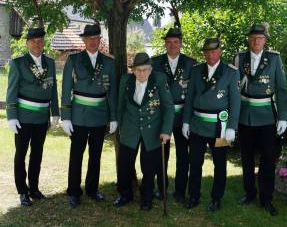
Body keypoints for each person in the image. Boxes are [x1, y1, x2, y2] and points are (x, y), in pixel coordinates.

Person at [61, 24, 118, 208]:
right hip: (78, 115)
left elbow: (113, 92)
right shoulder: (74, 59)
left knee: (96, 155)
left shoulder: (108, 62)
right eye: (90, 38)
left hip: (100, 115)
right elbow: (66, 89)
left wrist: (113, 117)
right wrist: (66, 116)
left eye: (96, 38)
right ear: (84, 40)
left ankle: (92, 189)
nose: (93, 42)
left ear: (100, 40)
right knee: (76, 155)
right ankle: (73, 191)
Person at [235, 23, 287, 216]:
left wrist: (282, 117)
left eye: (259, 38)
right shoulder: (240, 58)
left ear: (265, 40)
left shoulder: (274, 58)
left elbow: (281, 88)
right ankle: (249, 193)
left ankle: (266, 198)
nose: (256, 41)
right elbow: (234, 87)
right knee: (247, 157)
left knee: (268, 159)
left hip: (266, 115)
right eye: (252, 38)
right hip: (245, 115)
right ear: (249, 40)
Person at [182, 38, 241, 212]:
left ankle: (216, 198)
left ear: (220, 52)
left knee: (220, 164)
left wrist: (232, 127)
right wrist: (186, 121)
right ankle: (194, 195)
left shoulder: (230, 72)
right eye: (207, 52)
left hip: (220, 126)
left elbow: (236, 102)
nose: (210, 55)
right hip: (198, 125)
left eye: (214, 51)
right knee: (195, 162)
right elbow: (190, 98)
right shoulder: (196, 70)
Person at [113, 52, 174, 211]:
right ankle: (124, 195)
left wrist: (166, 130)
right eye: (138, 70)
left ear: (150, 69)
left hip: (152, 130)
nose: (142, 73)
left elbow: (168, 107)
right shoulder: (126, 81)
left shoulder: (159, 80)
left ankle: (146, 198)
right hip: (130, 128)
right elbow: (120, 106)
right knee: (124, 164)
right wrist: (118, 125)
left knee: (148, 168)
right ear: (133, 70)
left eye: (145, 70)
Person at [6, 27, 59, 206]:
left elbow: (53, 90)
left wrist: (55, 113)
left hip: (41, 118)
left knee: (37, 154)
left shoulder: (50, 63)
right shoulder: (18, 63)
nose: (37, 44)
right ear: (27, 43)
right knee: (21, 154)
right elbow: (11, 91)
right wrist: (11, 116)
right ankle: (22, 191)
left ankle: (34, 188)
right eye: (34, 41)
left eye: (40, 41)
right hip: (22, 118)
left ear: (44, 43)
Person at [151, 27, 196, 203]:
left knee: (183, 156)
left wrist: (189, 118)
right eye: (169, 42)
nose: (172, 45)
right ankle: (161, 189)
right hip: (162, 116)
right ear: (165, 44)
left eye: (176, 42)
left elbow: (194, 92)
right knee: (162, 155)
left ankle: (179, 191)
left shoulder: (191, 63)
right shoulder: (155, 63)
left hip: (183, 115)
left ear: (181, 44)